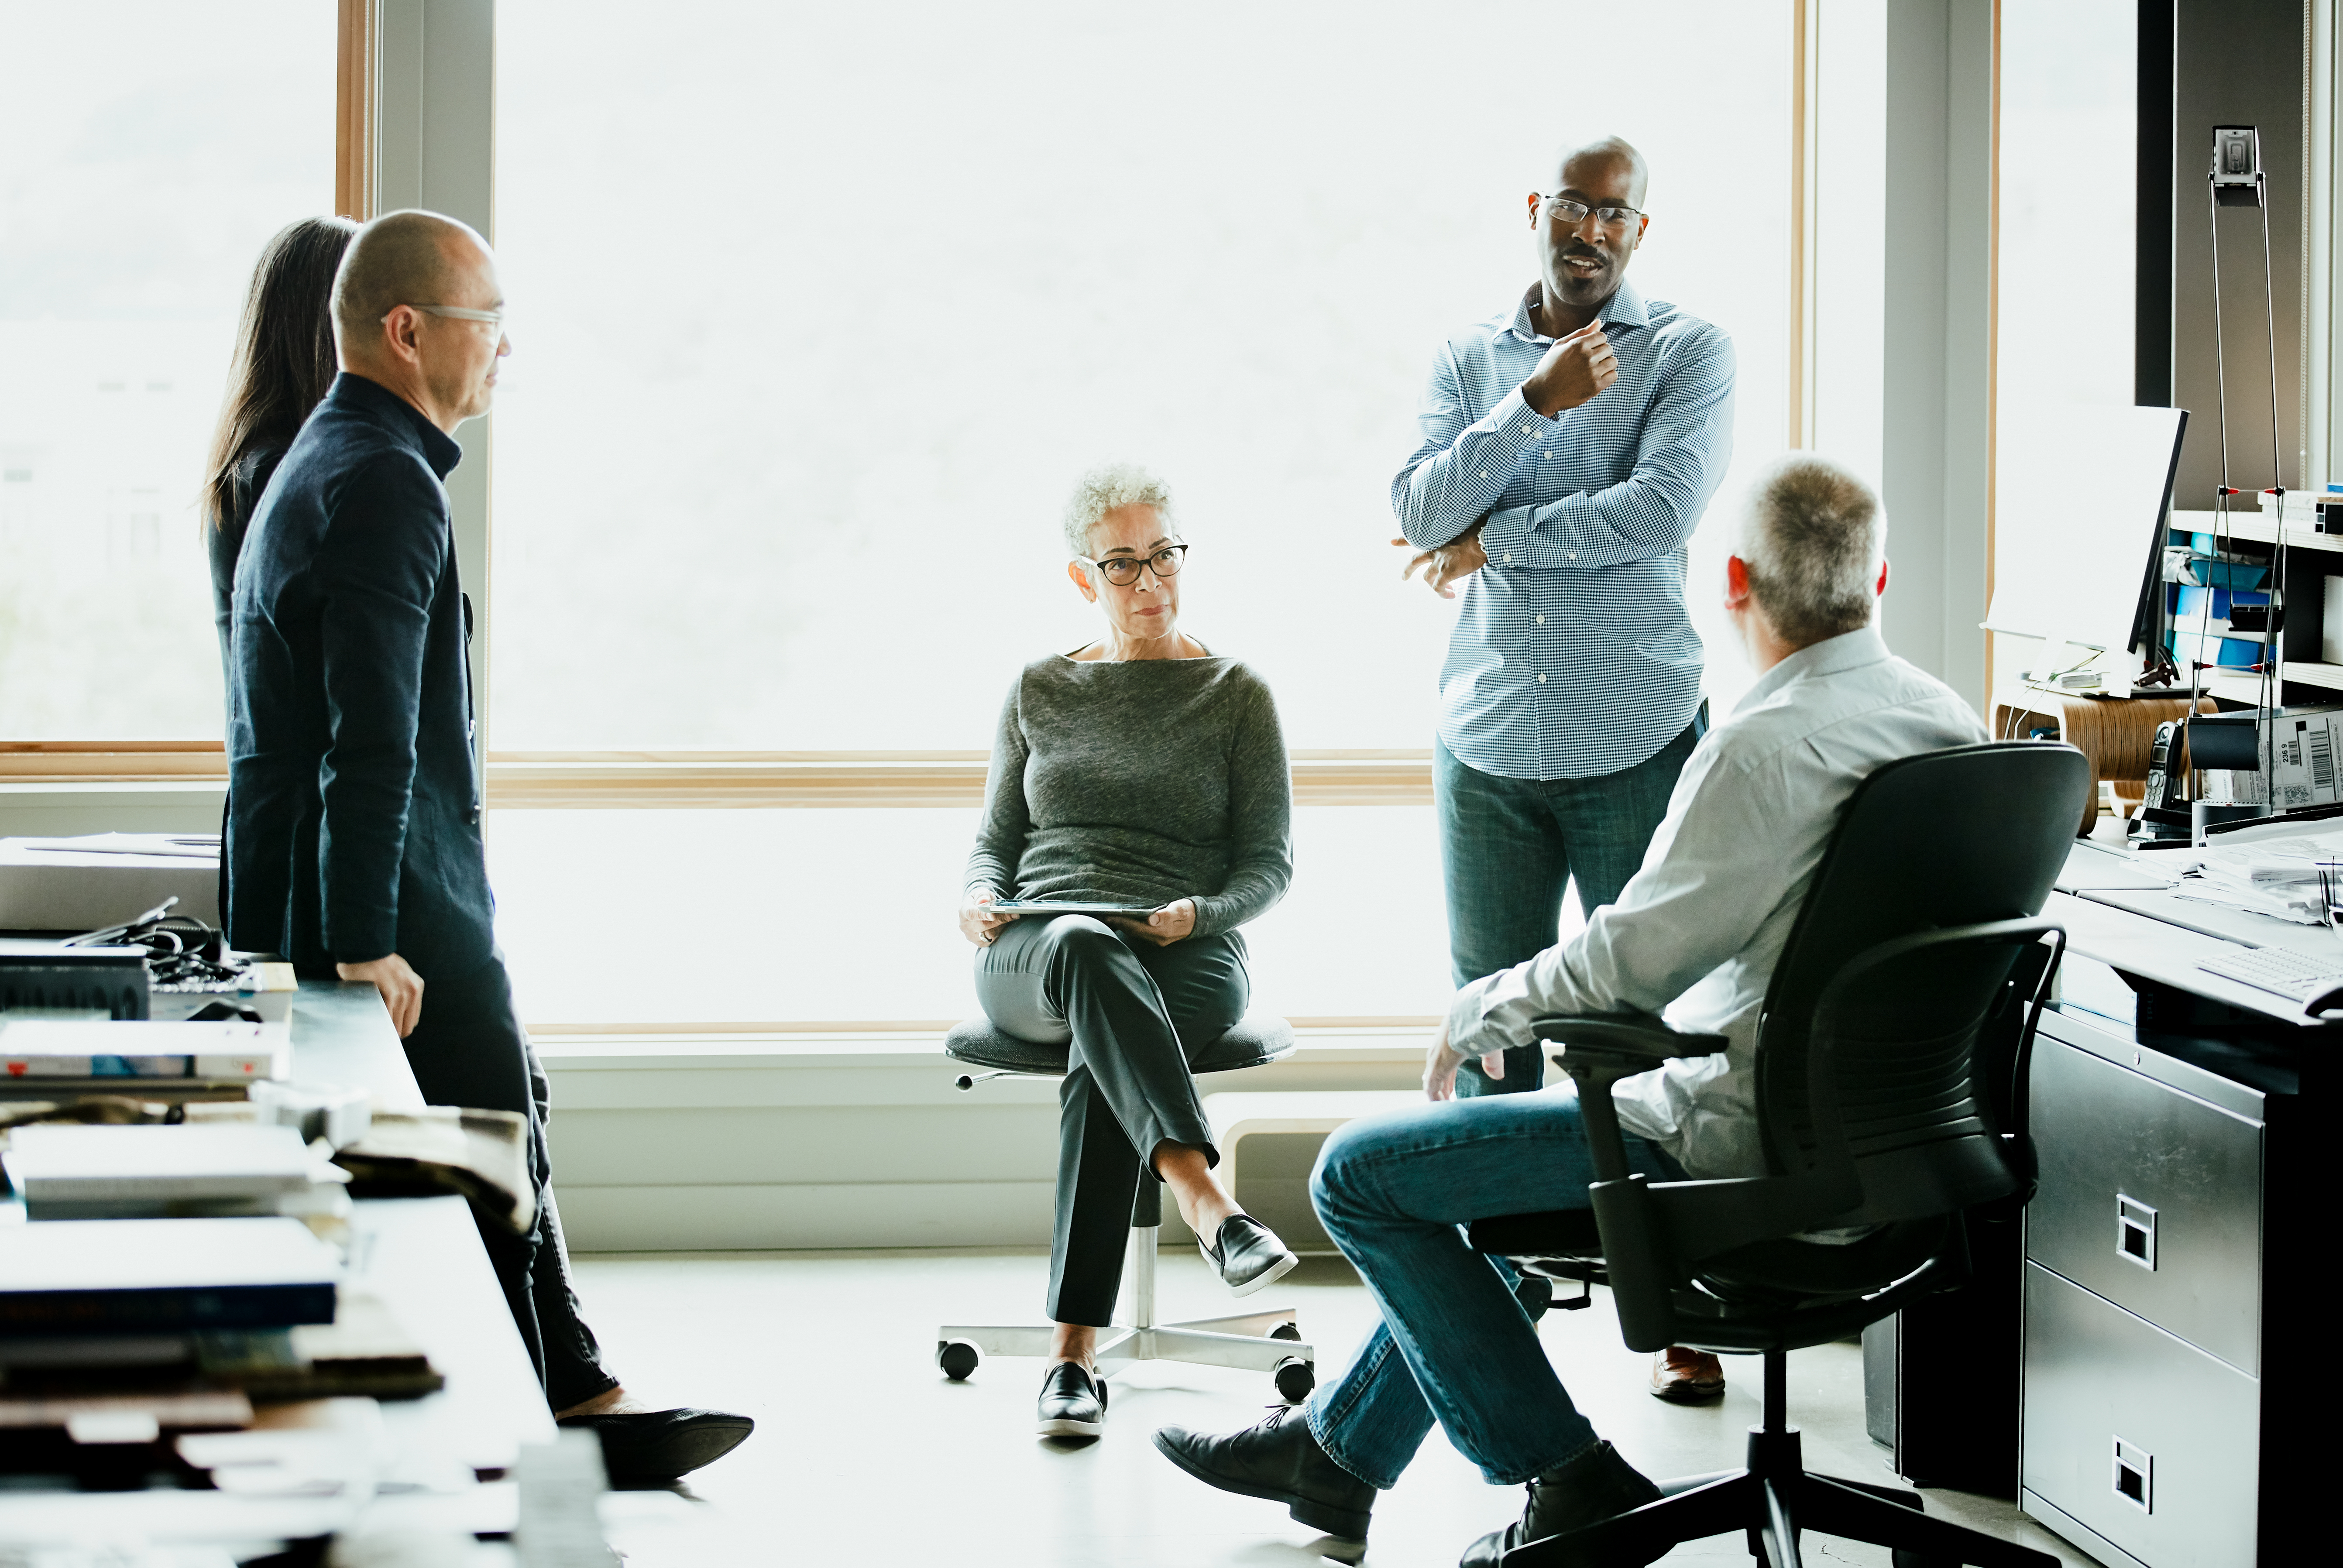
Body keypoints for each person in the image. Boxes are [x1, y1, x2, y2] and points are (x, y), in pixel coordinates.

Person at [1154, 454, 1990, 1565]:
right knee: (1475, 1191)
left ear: (1730, 580)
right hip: (1898, 1158)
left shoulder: (1761, 748)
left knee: (1357, 1176)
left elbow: (1626, 966)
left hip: (1730, 1147)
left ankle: (1571, 1478)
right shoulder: (1952, 723)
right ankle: (1332, 1458)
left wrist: (1478, 1010)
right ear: (1876, 583)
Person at [224, 209, 751, 1484]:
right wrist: (367, 941)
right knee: (483, 1158)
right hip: (392, 900)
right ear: (408, 332)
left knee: (487, 1145)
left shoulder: (331, 458)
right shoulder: (381, 478)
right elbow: (373, 740)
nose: (505, 350)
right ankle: (527, 1444)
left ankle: (550, 1410)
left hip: (375, 883)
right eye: (490, 322)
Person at [1388, 133, 1738, 1404]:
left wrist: (1500, 542)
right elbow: (1420, 507)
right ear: (1539, 211)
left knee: (1651, 1016)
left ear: (1641, 232)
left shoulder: (1687, 351)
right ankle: (1499, 1300)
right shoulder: (1469, 357)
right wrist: (1529, 409)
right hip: (1485, 742)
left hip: (1632, 734)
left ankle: (1689, 1303)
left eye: (1617, 215)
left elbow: (1660, 512)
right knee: (1491, 1021)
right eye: (1575, 209)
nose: (1591, 232)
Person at [959, 463, 1299, 1439]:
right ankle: (1204, 1199)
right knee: (1079, 950)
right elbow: (994, 842)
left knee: (1102, 1047)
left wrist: (1202, 913)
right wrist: (978, 894)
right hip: (1041, 948)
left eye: (1163, 557)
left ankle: (1072, 1354)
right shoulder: (1038, 687)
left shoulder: (1236, 694)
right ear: (1082, 578)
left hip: (1183, 949)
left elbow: (1268, 866)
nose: (1149, 584)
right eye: (1122, 566)